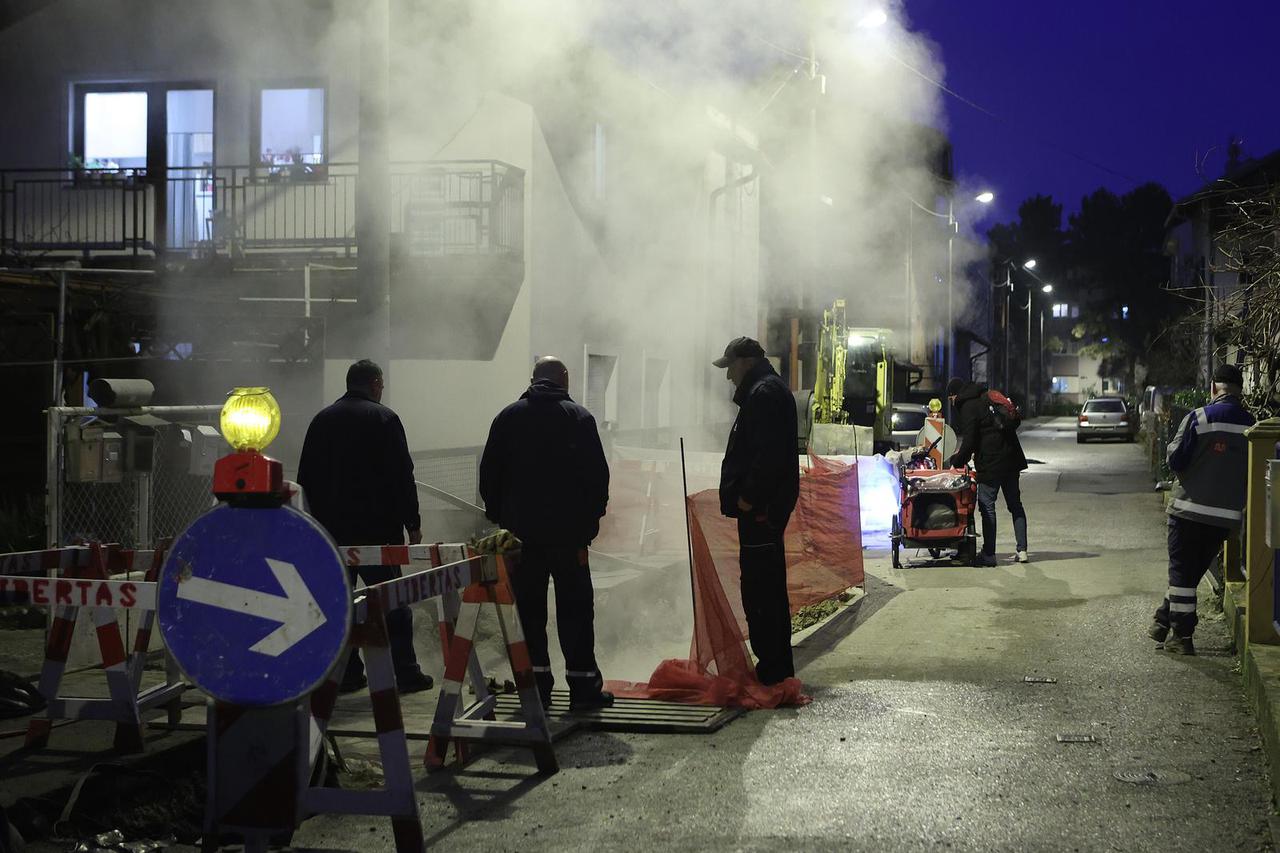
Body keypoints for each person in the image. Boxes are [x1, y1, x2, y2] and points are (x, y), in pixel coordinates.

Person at [479, 356, 613, 711]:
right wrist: (590, 523)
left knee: (528, 612)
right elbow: (597, 478)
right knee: (576, 609)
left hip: (521, 537)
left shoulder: (507, 417)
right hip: (569, 537)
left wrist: (500, 518)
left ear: (533, 379)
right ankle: (583, 690)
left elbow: (489, 474)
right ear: (564, 380)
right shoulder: (580, 418)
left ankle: (535, 689)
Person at [297, 360, 433, 694]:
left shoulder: (321, 420)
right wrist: (412, 522)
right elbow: (402, 475)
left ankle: (347, 674)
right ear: (374, 383)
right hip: (376, 532)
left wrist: (309, 525)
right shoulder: (385, 419)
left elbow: (305, 480)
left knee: (340, 604)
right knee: (391, 603)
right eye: (382, 384)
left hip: (332, 534)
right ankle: (405, 671)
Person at [1149, 363, 1255, 655]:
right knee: (1190, 573)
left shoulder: (1200, 417)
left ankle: (1182, 637)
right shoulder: (1252, 424)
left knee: (1182, 572)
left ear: (1212, 388)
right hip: (1225, 519)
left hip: (1189, 510)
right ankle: (1162, 620)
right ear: (1240, 391)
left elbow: (1176, 459)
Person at [714, 336, 800, 685]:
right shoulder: (768, 390)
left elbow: (767, 457)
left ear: (745, 362)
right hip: (764, 509)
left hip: (761, 511)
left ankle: (772, 670)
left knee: (760, 590)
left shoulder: (763, 394)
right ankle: (774, 665)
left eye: (730, 367)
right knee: (765, 588)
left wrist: (749, 498)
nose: (728, 376)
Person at [947, 377, 1029, 566]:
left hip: (991, 462)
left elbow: (969, 441)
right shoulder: (986, 396)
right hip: (1011, 458)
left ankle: (989, 554)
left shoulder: (968, 406)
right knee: (1015, 505)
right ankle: (1022, 550)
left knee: (987, 506)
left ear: (954, 396)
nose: (952, 403)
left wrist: (956, 462)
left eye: (951, 399)